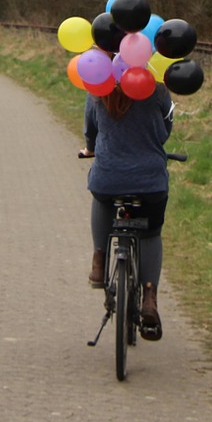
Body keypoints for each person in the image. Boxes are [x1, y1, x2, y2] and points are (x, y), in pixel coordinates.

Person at [80, 80, 175, 341]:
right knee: (151, 233)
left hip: (108, 177)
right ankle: (149, 298)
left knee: (101, 197)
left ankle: (99, 261)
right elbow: (165, 130)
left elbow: (91, 130)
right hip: (150, 181)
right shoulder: (157, 89)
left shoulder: (98, 87)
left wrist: (90, 148)